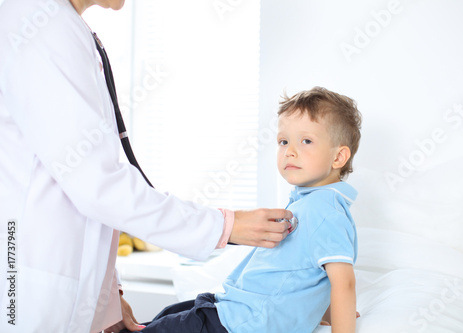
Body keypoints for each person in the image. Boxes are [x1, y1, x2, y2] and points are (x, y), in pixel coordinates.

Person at [0, 0, 292, 332]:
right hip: (26, 283)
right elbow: (100, 186)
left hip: (46, 277)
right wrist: (226, 226)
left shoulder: (60, 26)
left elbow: (82, 189)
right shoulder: (41, 27)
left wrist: (108, 296)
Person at [123, 86, 362, 333]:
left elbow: (343, 283)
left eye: (306, 141)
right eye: (283, 141)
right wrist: (320, 312)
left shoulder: (325, 211)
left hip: (241, 323)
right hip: (231, 311)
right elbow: (309, 276)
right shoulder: (308, 203)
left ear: (338, 157)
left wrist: (341, 321)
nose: (289, 150)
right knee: (162, 319)